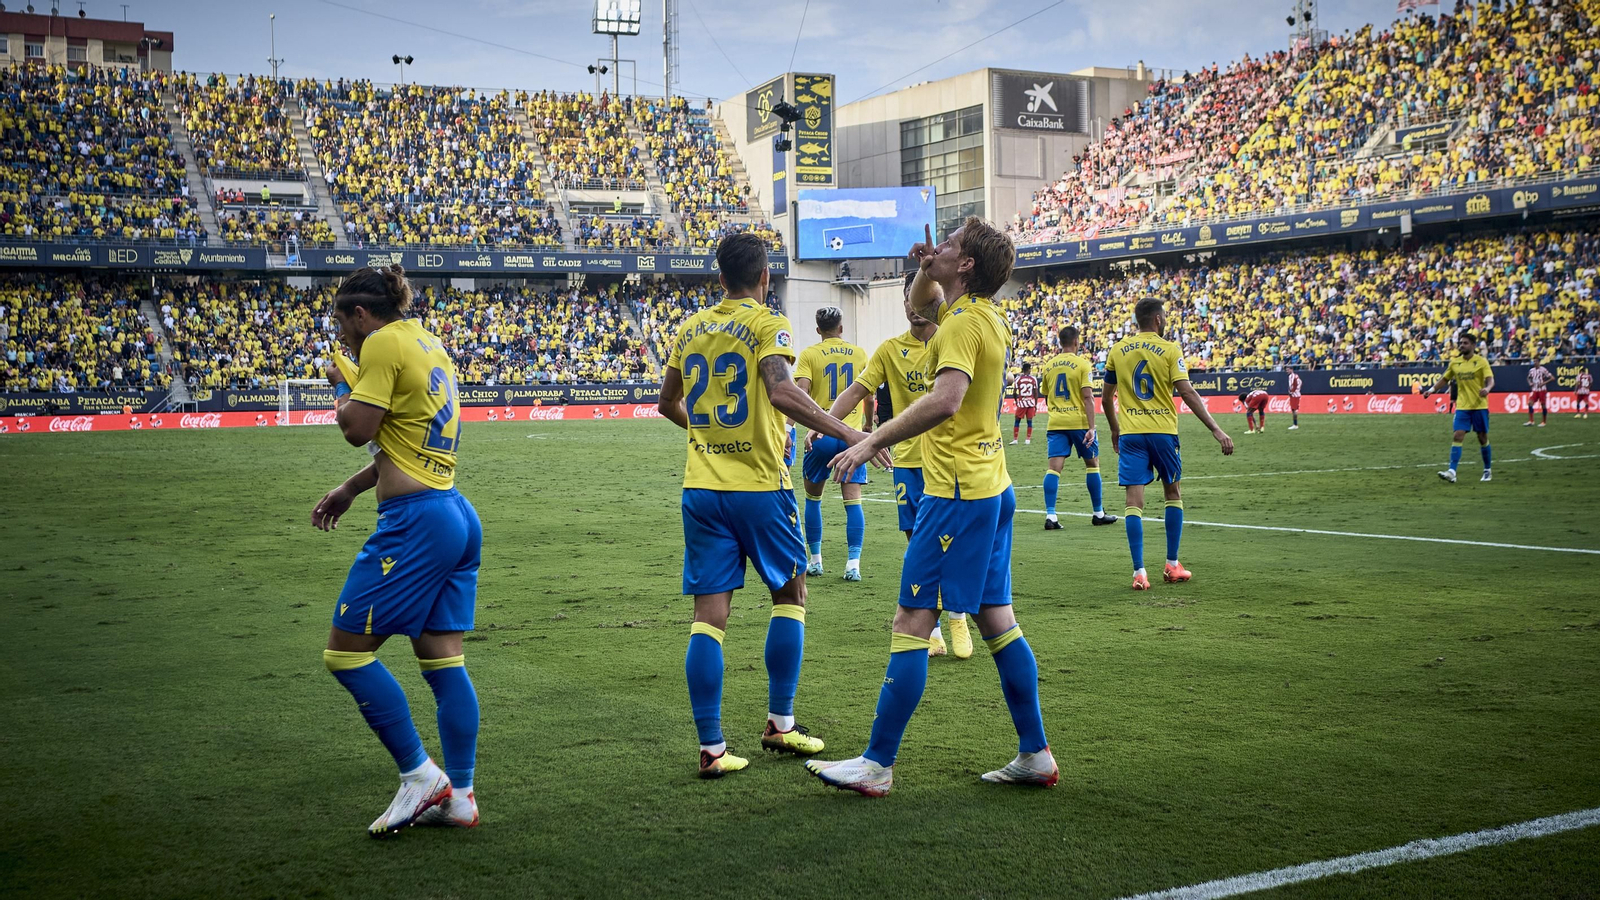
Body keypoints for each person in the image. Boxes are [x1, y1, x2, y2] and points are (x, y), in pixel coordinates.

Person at [805, 218, 1057, 796]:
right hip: (992, 485)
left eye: (947, 246)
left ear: (965, 266)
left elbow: (945, 401)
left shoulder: (961, 325)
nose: (936, 249)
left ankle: (876, 763)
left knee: (911, 620)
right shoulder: (981, 316)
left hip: (956, 492)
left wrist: (870, 440)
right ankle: (1035, 752)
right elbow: (922, 305)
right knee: (998, 617)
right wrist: (925, 267)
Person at [657, 233, 884, 779]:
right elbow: (781, 391)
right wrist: (851, 432)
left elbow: (668, 402)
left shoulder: (690, 328)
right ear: (764, 278)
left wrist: (708, 433)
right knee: (791, 593)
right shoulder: (767, 323)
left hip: (702, 488)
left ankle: (712, 749)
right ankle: (779, 725)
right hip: (758, 485)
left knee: (708, 617)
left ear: (718, 279)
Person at [312, 265, 483, 836]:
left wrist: (342, 386)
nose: (342, 336)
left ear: (362, 314)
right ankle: (459, 796)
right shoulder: (425, 341)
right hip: (454, 510)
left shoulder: (381, 342)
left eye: (343, 324)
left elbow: (357, 428)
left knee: (346, 654)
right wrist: (351, 488)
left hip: (416, 523)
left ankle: (419, 776)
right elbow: (399, 442)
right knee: (444, 664)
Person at [825, 272, 972, 659]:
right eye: (908, 299)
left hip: (952, 460)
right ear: (905, 303)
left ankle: (957, 612)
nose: (914, 307)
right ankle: (934, 625)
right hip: (907, 462)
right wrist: (825, 423)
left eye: (921, 298)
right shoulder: (889, 350)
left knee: (953, 543)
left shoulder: (954, 340)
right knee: (917, 546)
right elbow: (858, 391)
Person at [1103, 297, 1234, 591]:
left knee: (1133, 502)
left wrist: (1115, 430)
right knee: (1172, 493)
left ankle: (1139, 573)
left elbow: (1105, 398)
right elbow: (1186, 392)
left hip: (1131, 434)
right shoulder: (1170, 349)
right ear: (1159, 319)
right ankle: (1172, 564)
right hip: (1163, 432)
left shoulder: (1118, 350)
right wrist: (1215, 429)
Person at [793, 307, 874, 581]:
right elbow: (869, 397)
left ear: (818, 331)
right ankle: (853, 565)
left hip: (821, 436)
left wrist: (804, 427)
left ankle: (815, 561)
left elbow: (800, 394)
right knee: (853, 503)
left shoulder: (809, 355)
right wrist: (867, 428)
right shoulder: (860, 353)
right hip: (852, 438)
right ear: (841, 328)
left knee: (813, 499)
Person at [1040, 325, 1116, 529]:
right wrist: (1092, 427)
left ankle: (1051, 516)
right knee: (1093, 464)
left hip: (1056, 423)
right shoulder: (1082, 364)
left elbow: (1047, 396)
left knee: (1054, 469)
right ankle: (1098, 513)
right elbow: (1088, 397)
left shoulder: (1049, 365)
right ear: (1076, 342)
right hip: (1079, 423)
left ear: (1059, 342)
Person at [1423, 332, 1494, 483]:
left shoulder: (1481, 362)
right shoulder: (1455, 363)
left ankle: (1487, 469)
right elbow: (1444, 379)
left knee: (1482, 438)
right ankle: (1452, 471)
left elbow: (1490, 380)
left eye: (1465, 343)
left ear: (1473, 346)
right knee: (1457, 435)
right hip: (1462, 406)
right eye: (1461, 343)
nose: (1462, 345)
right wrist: (1431, 390)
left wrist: (1487, 389)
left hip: (1479, 405)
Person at [1010, 362, 1039, 444]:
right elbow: (1036, 393)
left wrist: (1016, 401)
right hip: (1030, 402)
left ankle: (1015, 439)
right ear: (1029, 369)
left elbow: (1014, 392)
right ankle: (1028, 439)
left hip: (1022, 402)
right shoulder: (1033, 379)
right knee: (1029, 421)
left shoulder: (1018, 379)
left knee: (1017, 420)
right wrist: (1035, 404)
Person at [1525, 361, 1553, 427]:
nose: (1535, 363)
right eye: (1534, 361)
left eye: (1536, 361)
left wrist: (1544, 383)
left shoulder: (1543, 369)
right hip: (1535, 390)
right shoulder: (1531, 370)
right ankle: (1531, 421)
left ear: (1539, 362)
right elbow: (1528, 378)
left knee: (1543, 405)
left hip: (1542, 390)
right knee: (1530, 403)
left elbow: (1552, 378)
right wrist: (1530, 383)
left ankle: (1544, 422)